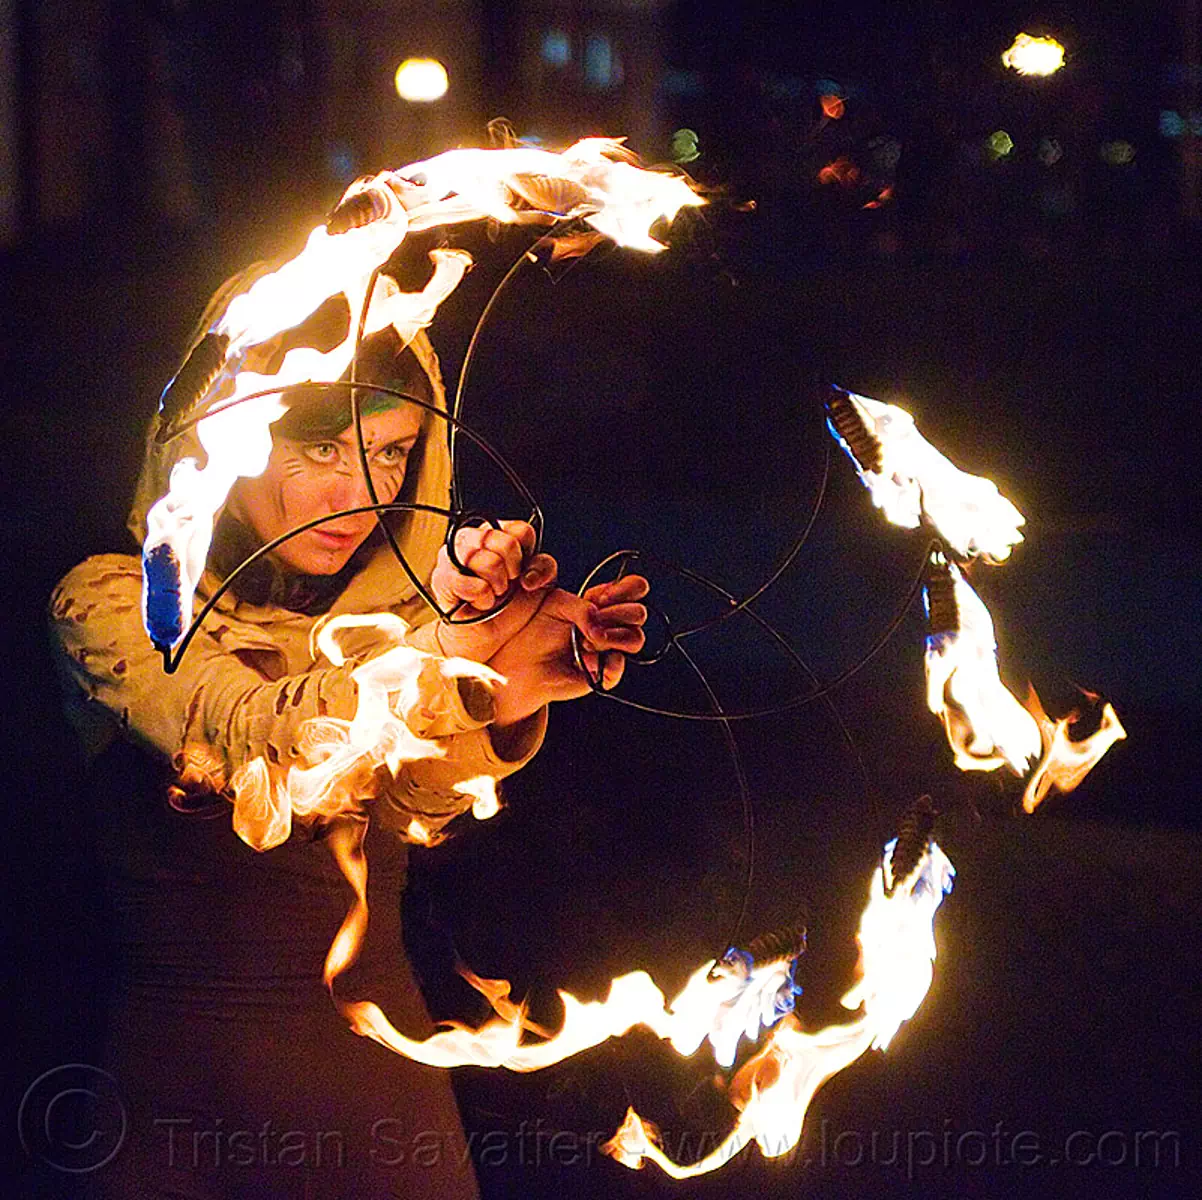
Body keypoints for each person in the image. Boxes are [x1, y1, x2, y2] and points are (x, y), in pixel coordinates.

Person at [49, 272, 648, 1199]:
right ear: (226, 436)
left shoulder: (409, 622)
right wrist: (444, 654)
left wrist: (503, 690)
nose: (361, 491)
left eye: (394, 451)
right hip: (164, 1120)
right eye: (322, 446)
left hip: (372, 1117)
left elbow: (415, 812)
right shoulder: (112, 601)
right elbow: (248, 740)